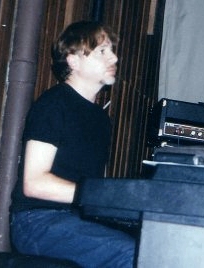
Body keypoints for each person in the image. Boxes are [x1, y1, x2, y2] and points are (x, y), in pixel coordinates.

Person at [10, 20, 136, 267]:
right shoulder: (54, 105)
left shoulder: (100, 119)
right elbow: (34, 183)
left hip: (75, 219)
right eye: (102, 51)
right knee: (133, 255)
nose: (114, 58)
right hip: (36, 222)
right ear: (73, 61)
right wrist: (103, 196)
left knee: (155, 246)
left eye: (112, 50)